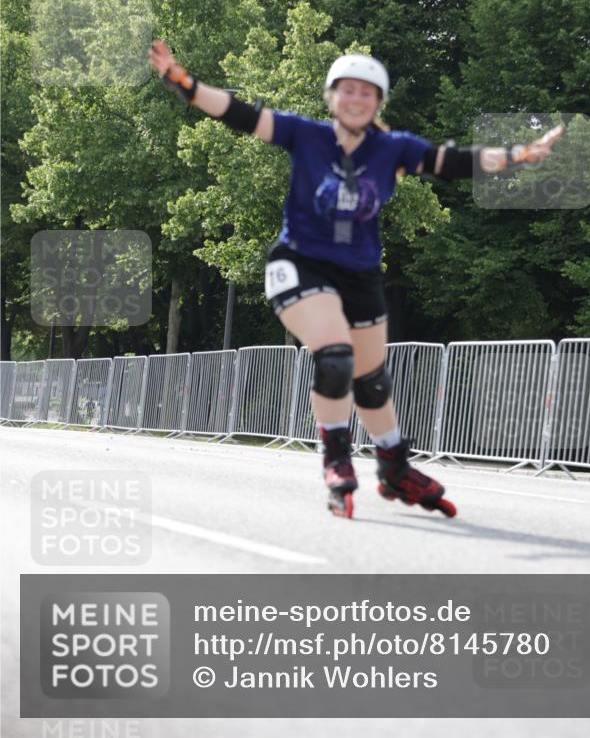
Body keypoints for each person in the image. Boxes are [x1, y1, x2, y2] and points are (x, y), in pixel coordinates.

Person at [149, 41, 564, 519]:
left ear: (378, 103)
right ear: (331, 97)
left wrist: (520, 154)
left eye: (367, 93)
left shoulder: (393, 149)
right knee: (336, 359)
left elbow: (455, 161)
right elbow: (240, 114)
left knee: (371, 380)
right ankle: (336, 459)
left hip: (360, 274)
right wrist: (184, 83)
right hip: (301, 263)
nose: (356, 98)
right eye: (347, 90)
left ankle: (393, 465)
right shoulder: (306, 135)